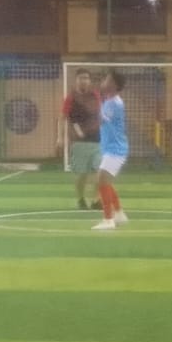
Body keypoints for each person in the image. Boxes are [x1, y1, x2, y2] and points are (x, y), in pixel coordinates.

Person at [91, 70, 130, 232]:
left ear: (113, 85)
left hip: (115, 149)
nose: (103, 82)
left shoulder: (113, 103)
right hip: (112, 148)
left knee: (102, 180)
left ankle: (108, 220)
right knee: (105, 181)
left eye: (106, 79)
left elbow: (100, 121)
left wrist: (95, 101)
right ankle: (119, 214)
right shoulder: (110, 101)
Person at [61, 68, 102, 211]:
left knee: (100, 171)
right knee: (82, 174)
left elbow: (100, 115)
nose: (84, 80)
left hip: (97, 140)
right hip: (79, 142)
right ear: (76, 80)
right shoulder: (71, 98)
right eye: (81, 78)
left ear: (89, 81)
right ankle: (80, 199)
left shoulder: (95, 95)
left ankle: (96, 200)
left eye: (86, 78)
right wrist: (60, 137)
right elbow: (63, 118)